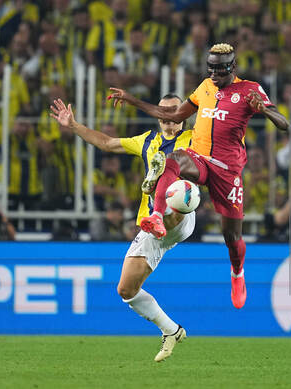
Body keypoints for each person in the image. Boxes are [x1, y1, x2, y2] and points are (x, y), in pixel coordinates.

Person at [107, 43, 289, 309]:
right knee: (172, 160)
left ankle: (237, 272)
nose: (214, 73)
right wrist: (132, 99)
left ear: (233, 67)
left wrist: (265, 110)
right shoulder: (204, 87)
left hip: (227, 172)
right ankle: (157, 215)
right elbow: (172, 114)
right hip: (200, 159)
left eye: (220, 68)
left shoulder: (250, 89)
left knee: (232, 237)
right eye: (210, 67)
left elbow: (285, 124)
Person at [50, 95, 195, 362]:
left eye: (173, 111)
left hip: (181, 215)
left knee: (180, 189)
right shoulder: (148, 141)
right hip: (152, 228)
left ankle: (161, 199)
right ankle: (171, 330)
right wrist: (73, 125)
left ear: (183, 115)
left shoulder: (195, 139)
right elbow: (106, 143)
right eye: (162, 110)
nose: (166, 115)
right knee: (126, 290)